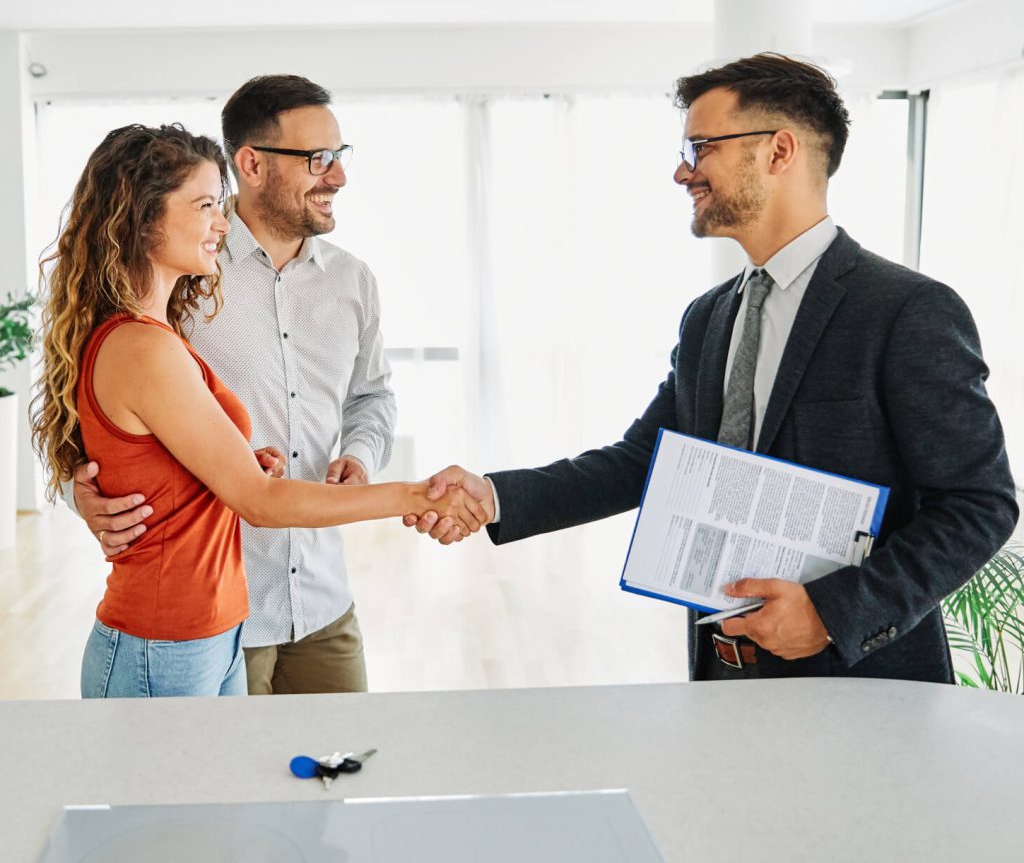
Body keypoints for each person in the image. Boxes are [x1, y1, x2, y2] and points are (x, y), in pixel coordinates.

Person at [407, 52, 1018, 683]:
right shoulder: (709, 317)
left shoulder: (908, 310)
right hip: (723, 666)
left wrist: (833, 613)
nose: (682, 171)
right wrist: (497, 495)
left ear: (779, 151)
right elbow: (648, 459)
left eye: (701, 147)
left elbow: (980, 503)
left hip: (861, 675)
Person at [31, 123, 482, 698]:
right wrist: (416, 496)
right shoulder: (144, 346)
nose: (220, 221)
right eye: (203, 205)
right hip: (166, 642)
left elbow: (178, 462)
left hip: (219, 626)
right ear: (142, 218)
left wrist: (238, 459)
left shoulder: (161, 333)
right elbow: (259, 502)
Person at [68, 75, 398, 696]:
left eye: (340, 157)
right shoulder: (182, 276)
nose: (337, 177)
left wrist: (361, 454)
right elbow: (83, 404)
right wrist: (80, 491)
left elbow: (372, 396)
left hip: (322, 601)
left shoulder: (353, 282)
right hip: (217, 619)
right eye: (318, 159)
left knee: (331, 785)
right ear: (251, 163)